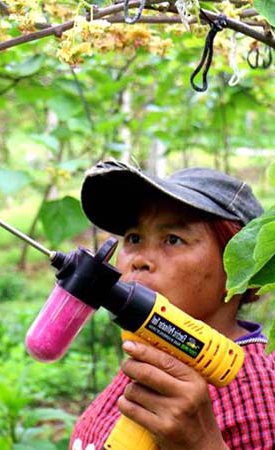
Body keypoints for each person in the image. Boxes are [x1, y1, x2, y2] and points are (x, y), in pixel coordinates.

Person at [69, 161, 275, 450]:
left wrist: (203, 444)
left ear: (239, 268)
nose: (139, 259)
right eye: (134, 238)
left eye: (173, 239)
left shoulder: (257, 388)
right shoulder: (157, 354)